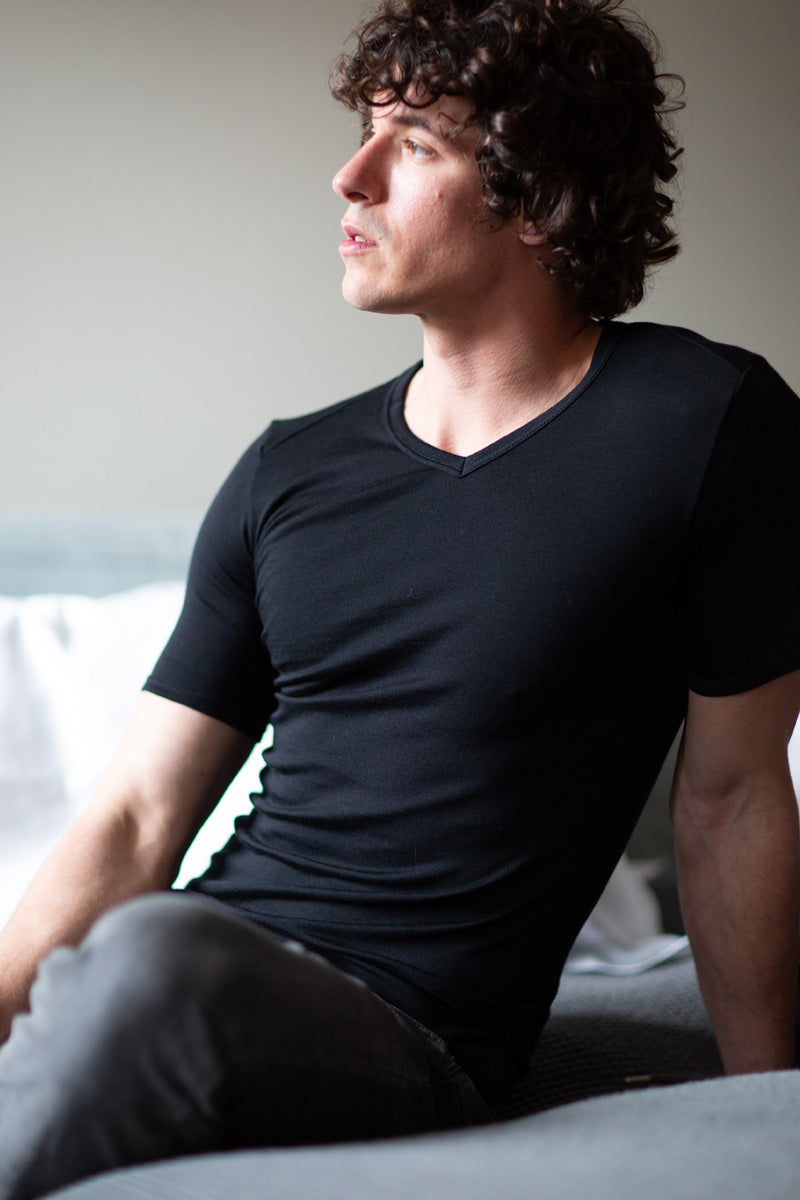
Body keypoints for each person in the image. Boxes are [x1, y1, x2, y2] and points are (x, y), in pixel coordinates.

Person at [2, 0, 799, 1195]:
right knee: (140, 959)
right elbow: (132, 818)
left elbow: (730, 795)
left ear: (539, 197)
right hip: (186, 969)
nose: (350, 175)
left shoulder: (702, 423)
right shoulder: (288, 470)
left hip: (410, 1029)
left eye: (413, 142)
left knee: (153, 962)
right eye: (363, 131)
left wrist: (767, 1107)